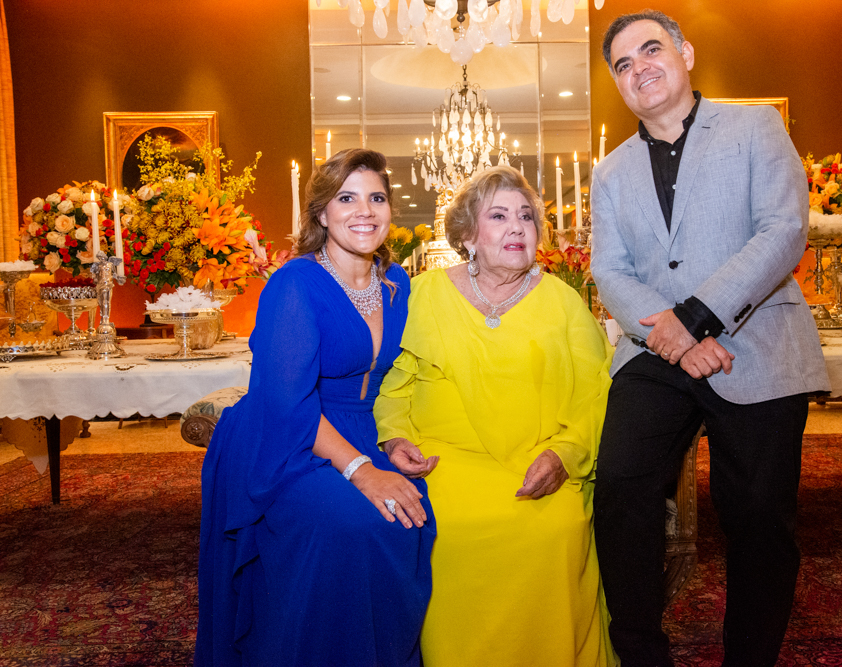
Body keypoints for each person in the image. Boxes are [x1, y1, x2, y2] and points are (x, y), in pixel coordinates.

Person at [590, 11, 830, 667]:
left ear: (686, 54)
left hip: (757, 339)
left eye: (651, 50)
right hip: (654, 350)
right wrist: (675, 336)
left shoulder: (755, 127)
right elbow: (609, 270)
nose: (639, 68)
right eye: (623, 64)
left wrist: (696, 316)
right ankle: (641, 654)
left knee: (758, 515)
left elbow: (783, 231)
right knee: (619, 487)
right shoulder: (610, 172)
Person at [196, 149, 436, 667]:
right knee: (355, 523)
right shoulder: (294, 283)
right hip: (287, 435)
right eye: (346, 198)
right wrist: (362, 470)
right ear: (322, 213)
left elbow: (398, 379)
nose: (364, 211)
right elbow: (288, 402)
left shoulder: (397, 284)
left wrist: (393, 439)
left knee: (415, 514)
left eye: (376, 198)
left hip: (363, 430)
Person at [374, 166, 616, 667]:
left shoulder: (562, 301)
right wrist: (395, 439)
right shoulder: (424, 294)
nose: (517, 227)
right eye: (499, 216)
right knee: (447, 525)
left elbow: (596, 392)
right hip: (445, 462)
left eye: (526, 217)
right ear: (467, 235)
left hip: (539, 459)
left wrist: (565, 454)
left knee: (556, 528)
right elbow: (393, 384)